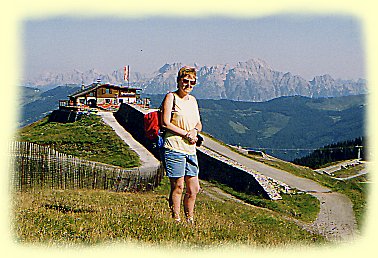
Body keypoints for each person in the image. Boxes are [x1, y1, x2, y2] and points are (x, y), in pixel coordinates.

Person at [160, 66, 202, 224]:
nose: (188, 85)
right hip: (174, 147)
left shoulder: (193, 100)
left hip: (190, 149)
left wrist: (194, 132)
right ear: (179, 81)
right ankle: (176, 219)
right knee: (178, 186)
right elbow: (165, 123)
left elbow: (198, 123)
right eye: (185, 81)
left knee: (194, 188)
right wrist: (186, 134)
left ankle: (190, 218)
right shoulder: (171, 97)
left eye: (192, 82)